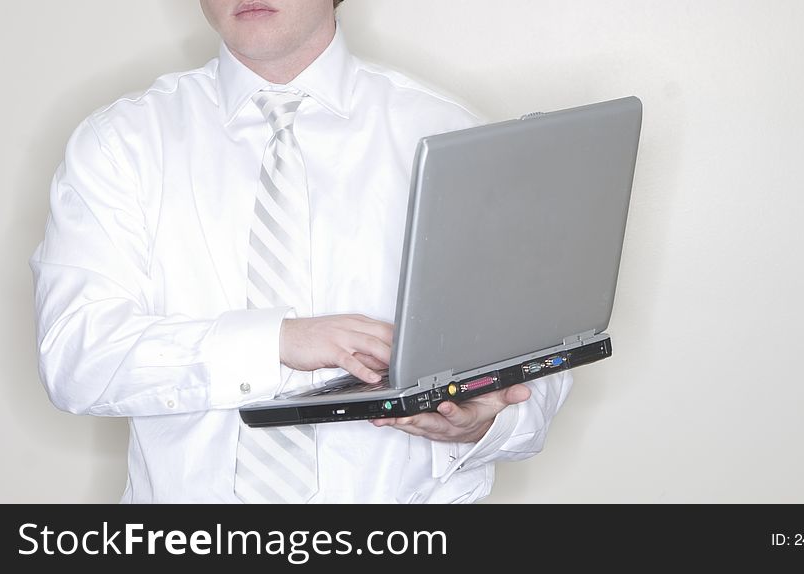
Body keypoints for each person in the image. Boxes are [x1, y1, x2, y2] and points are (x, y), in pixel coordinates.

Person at [30, 0, 573, 503]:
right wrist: (277, 342)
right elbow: (76, 358)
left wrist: (480, 423)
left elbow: (539, 366)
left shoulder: (449, 133)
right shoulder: (118, 144)